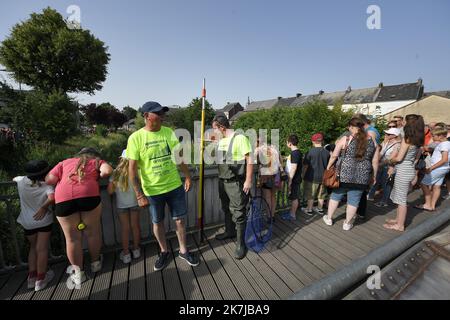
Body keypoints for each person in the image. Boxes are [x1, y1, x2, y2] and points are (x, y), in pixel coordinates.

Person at [127, 101, 199, 271]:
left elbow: (179, 158)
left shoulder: (168, 133)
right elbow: (131, 170)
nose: (162, 116)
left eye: (162, 113)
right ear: (146, 116)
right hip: (152, 191)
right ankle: (164, 251)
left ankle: (183, 250)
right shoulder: (136, 138)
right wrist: (139, 195)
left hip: (174, 186)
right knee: (157, 222)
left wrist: (187, 176)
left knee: (180, 220)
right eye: (158, 113)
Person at [46, 148, 113, 285]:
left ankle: (78, 273)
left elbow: (49, 180)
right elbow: (107, 171)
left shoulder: (64, 163)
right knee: (93, 233)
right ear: (94, 156)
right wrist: (97, 175)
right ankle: (95, 263)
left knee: (72, 239)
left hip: (64, 198)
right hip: (89, 194)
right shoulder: (96, 161)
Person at [323, 118, 379, 231]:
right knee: (354, 200)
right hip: (362, 176)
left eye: (349, 127)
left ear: (352, 127)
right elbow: (375, 161)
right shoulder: (372, 140)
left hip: (344, 174)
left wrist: (328, 167)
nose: (348, 129)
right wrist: (374, 176)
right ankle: (347, 224)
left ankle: (329, 218)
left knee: (335, 196)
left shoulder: (346, 138)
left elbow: (334, 155)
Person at [212, 115, 253, 259]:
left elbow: (249, 159)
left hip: (235, 182)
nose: (213, 132)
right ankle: (229, 232)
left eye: (214, 129)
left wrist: (248, 180)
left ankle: (241, 244)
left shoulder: (240, 138)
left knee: (239, 212)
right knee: (226, 207)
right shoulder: (221, 140)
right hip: (222, 181)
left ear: (222, 127)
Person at [14, 160, 55, 291]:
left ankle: (31, 278)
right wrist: (43, 207)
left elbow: (15, 178)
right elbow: (52, 197)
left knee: (33, 248)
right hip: (43, 220)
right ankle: (41, 279)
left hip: (27, 221)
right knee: (41, 249)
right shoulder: (47, 185)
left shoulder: (21, 181)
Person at [383, 114, 424, 231]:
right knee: (400, 197)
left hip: (403, 171)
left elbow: (399, 158)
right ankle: (398, 219)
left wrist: (388, 160)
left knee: (401, 200)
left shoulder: (407, 139)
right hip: (408, 169)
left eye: (405, 121)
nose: (403, 123)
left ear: (409, 124)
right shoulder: (416, 139)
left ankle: (400, 225)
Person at [107, 149, 141, 264]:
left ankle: (126, 254)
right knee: (135, 226)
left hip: (121, 205)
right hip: (135, 203)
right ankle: (136, 250)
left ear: (121, 159)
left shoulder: (115, 172)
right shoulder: (137, 170)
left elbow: (110, 191)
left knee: (125, 229)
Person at [416, 128, 450, 211]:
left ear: (440, 136)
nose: (432, 137)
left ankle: (427, 204)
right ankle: (432, 205)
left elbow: (444, 159)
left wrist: (431, 168)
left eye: (434, 136)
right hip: (443, 168)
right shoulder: (447, 143)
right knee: (437, 186)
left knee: (423, 184)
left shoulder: (444, 145)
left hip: (438, 168)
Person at [368, 127, 402, 207]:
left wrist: (379, 163)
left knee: (386, 184)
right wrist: (376, 161)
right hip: (381, 164)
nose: (386, 135)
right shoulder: (386, 142)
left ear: (394, 135)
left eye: (388, 134)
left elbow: (392, 157)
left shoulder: (398, 145)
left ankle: (384, 201)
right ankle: (370, 196)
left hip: (389, 166)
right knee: (376, 180)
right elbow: (381, 152)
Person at [254, 139, 283, 222]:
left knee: (267, 197)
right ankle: (273, 215)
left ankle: (269, 217)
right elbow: (280, 161)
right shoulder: (274, 148)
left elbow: (254, 162)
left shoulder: (260, 150)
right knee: (273, 196)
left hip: (266, 176)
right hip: (276, 175)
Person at [302, 133, 330, 216]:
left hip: (311, 176)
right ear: (322, 141)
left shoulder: (310, 152)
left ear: (313, 141)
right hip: (323, 177)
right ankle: (319, 208)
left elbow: (305, 165)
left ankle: (309, 209)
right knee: (321, 194)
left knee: (311, 193)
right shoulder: (327, 152)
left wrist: (303, 174)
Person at [281, 134, 303, 221]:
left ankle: (292, 215)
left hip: (295, 179)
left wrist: (290, 179)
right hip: (297, 178)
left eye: (287, 142)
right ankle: (291, 212)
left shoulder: (294, 153)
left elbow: (294, 168)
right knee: (294, 196)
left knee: (294, 197)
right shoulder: (297, 152)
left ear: (290, 143)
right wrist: (286, 157)